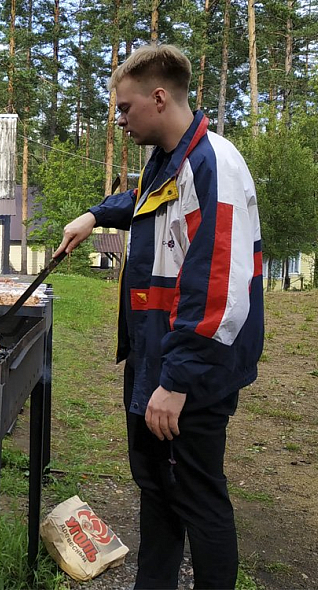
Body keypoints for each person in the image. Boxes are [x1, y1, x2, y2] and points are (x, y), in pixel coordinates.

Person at [55, 44, 264, 589]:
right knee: (156, 491)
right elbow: (146, 202)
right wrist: (95, 215)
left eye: (125, 109)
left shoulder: (211, 162)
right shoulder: (168, 161)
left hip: (188, 372)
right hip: (157, 357)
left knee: (198, 497)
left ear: (158, 96)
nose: (119, 119)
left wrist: (176, 382)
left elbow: (220, 287)